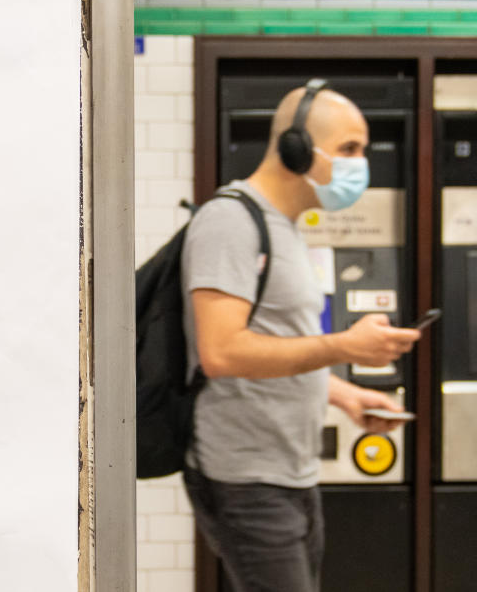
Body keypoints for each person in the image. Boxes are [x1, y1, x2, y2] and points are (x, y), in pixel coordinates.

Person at [180, 81, 421, 592]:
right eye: (349, 149)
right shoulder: (230, 221)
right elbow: (221, 352)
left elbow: (274, 342)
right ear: (295, 147)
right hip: (246, 477)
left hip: (292, 471)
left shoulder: (285, 227)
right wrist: (344, 347)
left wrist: (343, 393)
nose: (360, 164)